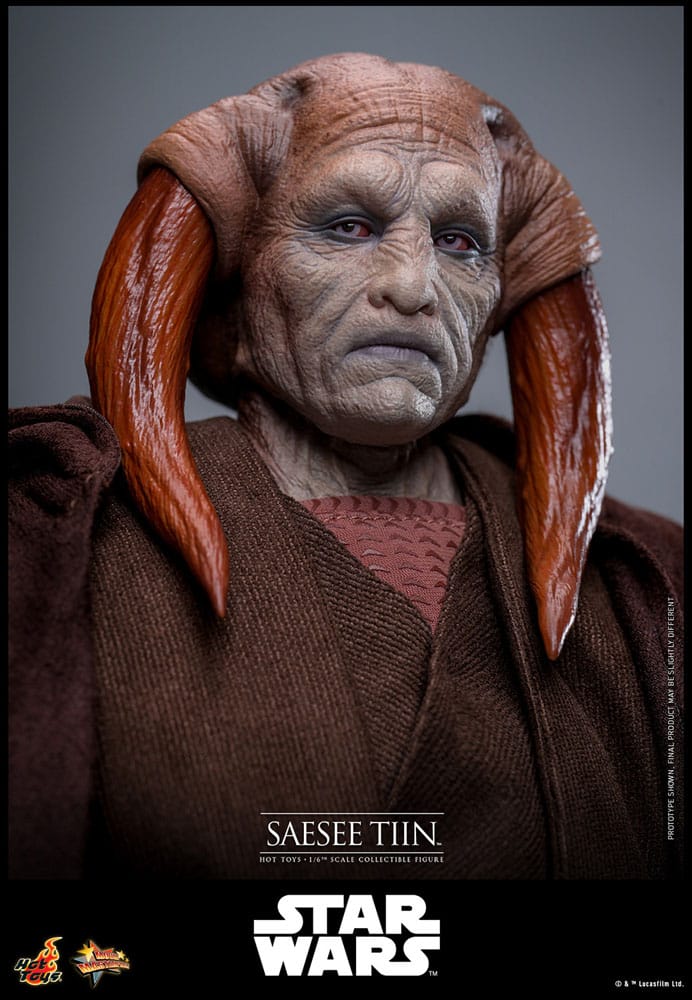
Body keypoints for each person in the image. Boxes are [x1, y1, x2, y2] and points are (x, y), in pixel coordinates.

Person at [9, 53, 683, 880]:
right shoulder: (50, 543)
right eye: (348, 227)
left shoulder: (653, 582)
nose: (412, 285)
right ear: (240, 280)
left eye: (460, 242)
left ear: (497, 301)